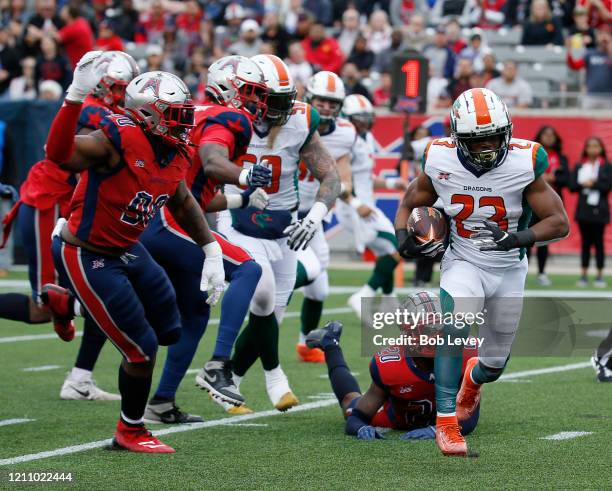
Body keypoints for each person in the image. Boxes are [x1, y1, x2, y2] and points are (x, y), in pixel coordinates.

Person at [43, 52, 226, 453]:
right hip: (87, 252)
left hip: (129, 248)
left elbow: (180, 200)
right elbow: (57, 154)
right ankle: (130, 430)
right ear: (149, 115)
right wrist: (74, 96)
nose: (184, 124)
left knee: (170, 329)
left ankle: (69, 305)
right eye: (174, 115)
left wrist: (211, 249)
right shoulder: (117, 137)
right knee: (140, 349)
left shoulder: (175, 151)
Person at [394, 87, 569, 456]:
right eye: (478, 139)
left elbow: (559, 222)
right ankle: (446, 424)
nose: (489, 144)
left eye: (494, 135)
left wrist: (517, 237)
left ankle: (473, 381)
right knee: (453, 327)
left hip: (509, 268)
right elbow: (413, 199)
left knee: (494, 363)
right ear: (458, 138)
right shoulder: (439, 156)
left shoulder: (525, 161)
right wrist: (402, 237)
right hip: (464, 259)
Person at [0, 51, 139, 402]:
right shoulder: (93, 110)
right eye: (120, 89)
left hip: (68, 206)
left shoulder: (108, 112)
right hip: (48, 204)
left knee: (102, 294)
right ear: (104, 85)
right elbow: (68, 158)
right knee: (45, 308)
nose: (125, 96)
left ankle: (80, 379)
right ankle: (79, 378)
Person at [140, 55, 271, 422]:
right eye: (250, 92)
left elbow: (199, 192)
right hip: (171, 221)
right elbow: (214, 162)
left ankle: (161, 402)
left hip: (162, 215)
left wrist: (241, 197)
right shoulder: (229, 117)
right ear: (228, 87)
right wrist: (245, 177)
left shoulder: (195, 113)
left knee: (196, 313)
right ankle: (219, 365)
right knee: (247, 268)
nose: (255, 102)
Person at [219, 55, 340, 411]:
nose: (283, 108)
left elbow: (331, 177)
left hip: (282, 224)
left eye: (287, 99)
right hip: (237, 218)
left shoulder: (301, 118)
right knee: (263, 294)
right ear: (250, 94)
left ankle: (230, 382)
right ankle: (275, 377)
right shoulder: (228, 118)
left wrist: (314, 218)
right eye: (274, 100)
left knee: (270, 317)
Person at [306, 294, 479, 441]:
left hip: (439, 416)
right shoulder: (391, 365)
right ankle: (331, 343)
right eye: (428, 329)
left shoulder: (467, 354)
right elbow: (357, 417)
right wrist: (359, 428)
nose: (435, 336)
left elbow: (469, 417)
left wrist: (437, 430)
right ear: (408, 332)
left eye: (440, 329)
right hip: (395, 419)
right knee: (349, 405)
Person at [294, 71, 354, 363]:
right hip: (286, 209)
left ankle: (306, 342)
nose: (327, 107)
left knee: (320, 286)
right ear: (309, 98)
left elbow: (343, 169)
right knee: (287, 279)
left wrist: (345, 187)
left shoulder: (346, 132)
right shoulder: (294, 121)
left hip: (315, 213)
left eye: (333, 102)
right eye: (322, 101)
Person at [340, 94, 405, 318]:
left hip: (365, 206)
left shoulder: (365, 138)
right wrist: (356, 204)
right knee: (398, 247)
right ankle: (363, 295)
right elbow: (340, 182)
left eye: (367, 118)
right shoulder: (344, 142)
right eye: (359, 119)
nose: (364, 123)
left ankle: (389, 299)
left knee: (387, 251)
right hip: (354, 208)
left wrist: (390, 182)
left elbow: (366, 177)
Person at [529, 125, 570, 286]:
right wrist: (544, 177)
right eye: (545, 134)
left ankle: (541, 272)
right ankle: (521, 270)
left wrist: (551, 179)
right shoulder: (531, 156)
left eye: (552, 134)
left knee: (544, 240)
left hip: (552, 205)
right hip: (532, 203)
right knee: (526, 236)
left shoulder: (561, 158)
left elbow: (567, 180)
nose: (549, 137)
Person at [570, 136, 611, 288]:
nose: (593, 149)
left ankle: (600, 275)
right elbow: (572, 186)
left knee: (599, 243)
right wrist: (583, 184)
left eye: (596, 146)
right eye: (590, 146)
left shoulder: (606, 166)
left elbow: (607, 186)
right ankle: (584, 275)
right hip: (584, 210)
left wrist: (593, 183)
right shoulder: (581, 166)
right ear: (586, 149)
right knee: (586, 244)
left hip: (600, 210)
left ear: (601, 149)